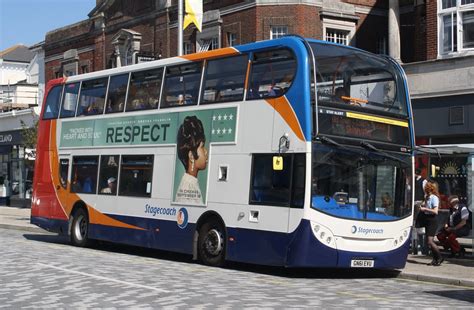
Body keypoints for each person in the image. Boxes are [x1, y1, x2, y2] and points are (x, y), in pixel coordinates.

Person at [175, 116, 208, 205]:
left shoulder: (190, 183)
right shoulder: (188, 188)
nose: (206, 151)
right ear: (191, 156)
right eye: (202, 147)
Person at [418, 181, 444, 266]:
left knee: (430, 241)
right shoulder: (427, 197)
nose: (424, 190)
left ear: (428, 189)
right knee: (428, 241)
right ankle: (434, 259)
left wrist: (425, 209)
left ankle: (440, 257)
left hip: (432, 220)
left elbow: (435, 211)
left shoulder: (434, 198)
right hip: (427, 220)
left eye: (426, 188)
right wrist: (422, 205)